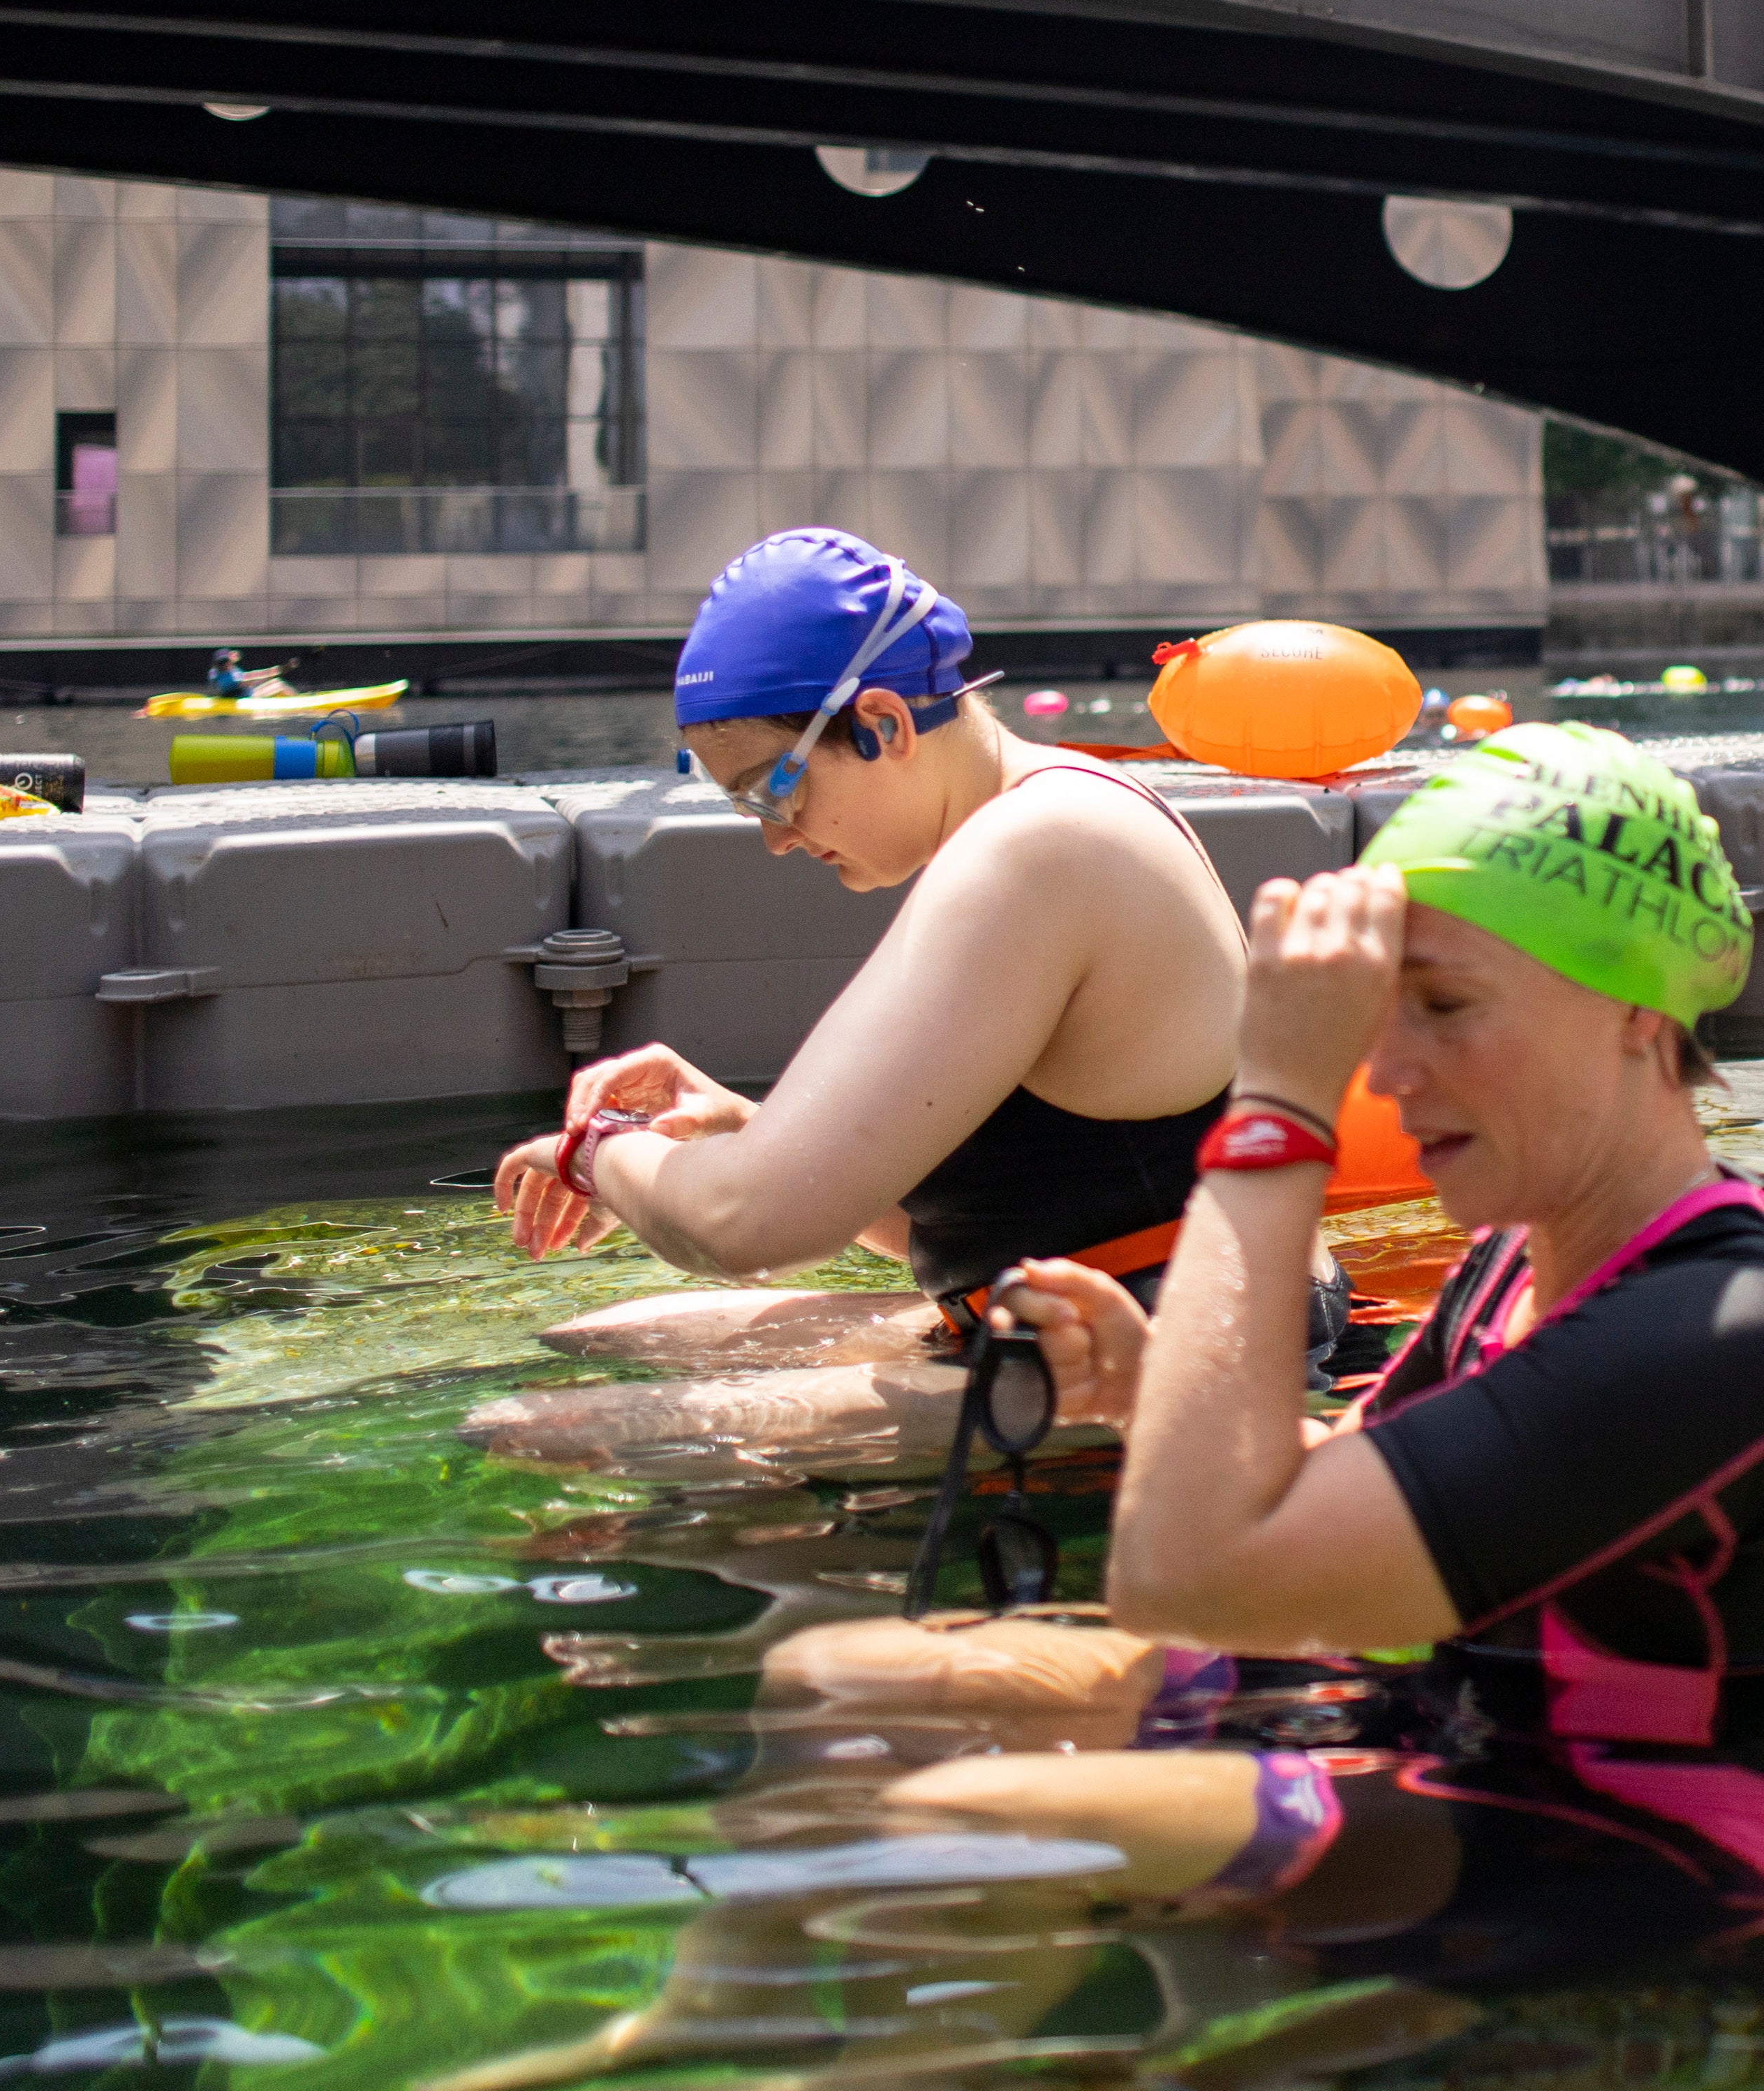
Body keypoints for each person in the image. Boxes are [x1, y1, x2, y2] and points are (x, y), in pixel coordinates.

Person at [498, 726, 1764, 2036]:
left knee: (981, 1808)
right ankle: (724, 2031)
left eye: (1446, 1008)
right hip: (1467, 1727)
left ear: (1633, 1015)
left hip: (1665, 1838)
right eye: (1380, 1015)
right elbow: (1349, 1462)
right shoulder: (1518, 1265)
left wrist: (1277, 1106)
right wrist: (1148, 1379)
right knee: (836, 1674)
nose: (1390, 1070)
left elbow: (1192, 1572)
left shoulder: (1740, 1332)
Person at [473, 526, 1255, 1457]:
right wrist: (739, 1128)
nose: (774, 839)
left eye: (775, 794)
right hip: (1114, 1317)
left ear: (882, 725)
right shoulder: (1050, 813)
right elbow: (995, 1213)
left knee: (538, 1432)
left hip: (1182, 1361)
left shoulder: (1040, 851)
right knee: (616, 1333)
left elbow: (751, 1222)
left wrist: (600, 1153)